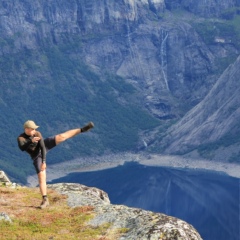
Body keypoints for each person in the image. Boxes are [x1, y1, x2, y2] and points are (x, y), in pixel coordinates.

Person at [17, 120, 94, 209]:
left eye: (35, 129)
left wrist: (44, 162)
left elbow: (42, 146)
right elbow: (22, 147)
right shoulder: (21, 138)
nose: (34, 130)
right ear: (27, 129)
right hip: (36, 156)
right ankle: (45, 200)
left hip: (43, 147)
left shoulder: (37, 133)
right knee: (42, 177)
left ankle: (82, 129)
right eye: (33, 129)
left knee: (62, 136)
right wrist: (31, 140)